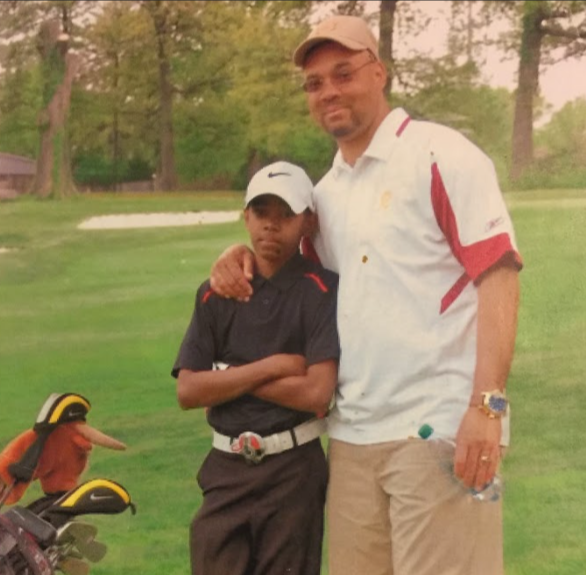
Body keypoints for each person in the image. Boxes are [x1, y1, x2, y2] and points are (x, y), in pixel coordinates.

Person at [209, 14, 522, 575]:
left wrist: (488, 407)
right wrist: (236, 256)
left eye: (344, 73)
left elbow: (497, 274)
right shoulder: (324, 196)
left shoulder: (439, 155)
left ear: (380, 73)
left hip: (437, 431)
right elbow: (284, 280)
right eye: (315, 83)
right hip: (352, 438)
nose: (328, 90)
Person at [171, 161, 340, 575]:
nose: (271, 226)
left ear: (307, 223)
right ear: (245, 216)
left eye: (286, 215)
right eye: (262, 213)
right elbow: (189, 392)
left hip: (293, 470)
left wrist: (226, 375)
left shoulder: (321, 290)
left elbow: (317, 393)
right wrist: (273, 367)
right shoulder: (216, 295)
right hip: (226, 468)